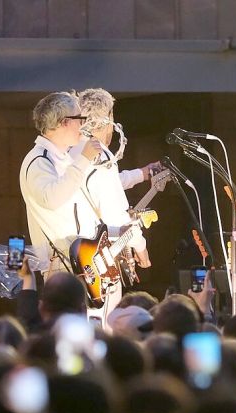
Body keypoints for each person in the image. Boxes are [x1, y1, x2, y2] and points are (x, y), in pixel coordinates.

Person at [77, 88, 164, 323]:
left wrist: (143, 173)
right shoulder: (100, 154)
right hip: (98, 259)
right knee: (102, 325)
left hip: (75, 254)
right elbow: (117, 216)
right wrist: (140, 246)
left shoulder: (73, 151)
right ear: (108, 119)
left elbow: (106, 184)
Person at [19, 91, 101, 278]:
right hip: (61, 265)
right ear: (64, 122)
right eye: (79, 119)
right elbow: (52, 199)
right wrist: (84, 159)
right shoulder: (39, 160)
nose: (83, 124)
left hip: (79, 260)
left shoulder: (61, 158)